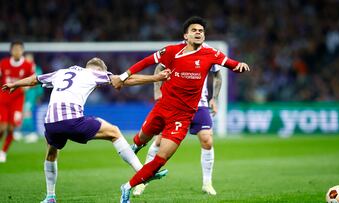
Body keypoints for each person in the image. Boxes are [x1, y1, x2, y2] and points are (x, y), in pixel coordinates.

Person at [111, 16, 250, 203]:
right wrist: (124, 75)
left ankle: (128, 187)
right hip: (163, 107)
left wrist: (240, 67)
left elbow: (232, 65)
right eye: (194, 30)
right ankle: (136, 147)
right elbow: (147, 62)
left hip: (183, 116)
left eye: (201, 31)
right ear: (186, 35)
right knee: (143, 138)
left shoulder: (212, 54)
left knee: (162, 157)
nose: (199, 33)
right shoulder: (171, 51)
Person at [2, 57, 171, 203]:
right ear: (99, 69)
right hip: (72, 120)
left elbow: (34, 80)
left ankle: (50, 196)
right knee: (114, 132)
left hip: (51, 123)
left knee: (52, 152)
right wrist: (156, 77)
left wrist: (14, 84)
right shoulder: (93, 73)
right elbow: (123, 80)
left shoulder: (61, 72)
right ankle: (143, 174)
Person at [132, 63, 222, 196]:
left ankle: (207, 183)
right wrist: (157, 91)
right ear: (186, 39)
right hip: (176, 104)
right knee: (159, 141)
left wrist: (214, 98)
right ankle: (142, 181)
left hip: (200, 104)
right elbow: (159, 68)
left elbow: (217, 75)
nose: (199, 40)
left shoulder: (210, 53)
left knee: (207, 140)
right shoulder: (176, 51)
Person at [0, 41, 34, 163]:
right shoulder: (3, 64)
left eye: (19, 49)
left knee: (10, 128)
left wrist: (28, 87)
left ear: (22, 50)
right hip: (3, 99)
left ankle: (3, 152)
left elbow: (33, 80)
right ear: (11, 51)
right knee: (2, 128)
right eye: (15, 49)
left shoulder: (27, 65)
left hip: (17, 100)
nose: (17, 51)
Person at [21, 53, 44, 143]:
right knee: (24, 113)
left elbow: (39, 83)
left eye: (29, 58)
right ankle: (23, 132)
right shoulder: (22, 68)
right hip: (22, 95)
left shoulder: (36, 69)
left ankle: (32, 133)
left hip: (31, 95)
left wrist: (38, 95)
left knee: (27, 113)